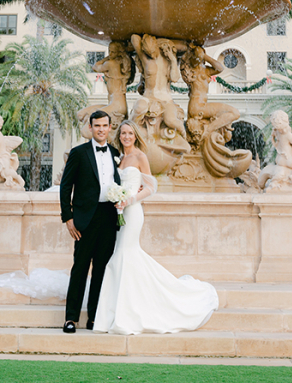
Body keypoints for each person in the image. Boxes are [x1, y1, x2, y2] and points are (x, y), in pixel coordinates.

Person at [93, 119, 219, 334]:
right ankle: (119, 312)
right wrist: (116, 198)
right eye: (123, 133)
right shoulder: (118, 157)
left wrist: (130, 199)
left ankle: (129, 313)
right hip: (118, 212)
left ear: (135, 136)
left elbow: (151, 186)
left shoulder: (140, 156)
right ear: (119, 136)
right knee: (122, 256)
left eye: (130, 133)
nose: (126, 137)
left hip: (133, 212)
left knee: (125, 254)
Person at [59, 109, 121, 333]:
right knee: (80, 268)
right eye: (97, 126)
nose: (101, 129)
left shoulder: (116, 154)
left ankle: (94, 318)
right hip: (85, 218)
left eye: (104, 126)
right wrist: (68, 217)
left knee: (101, 270)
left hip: (108, 217)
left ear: (110, 127)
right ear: (90, 127)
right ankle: (71, 318)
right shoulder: (79, 153)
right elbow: (65, 186)